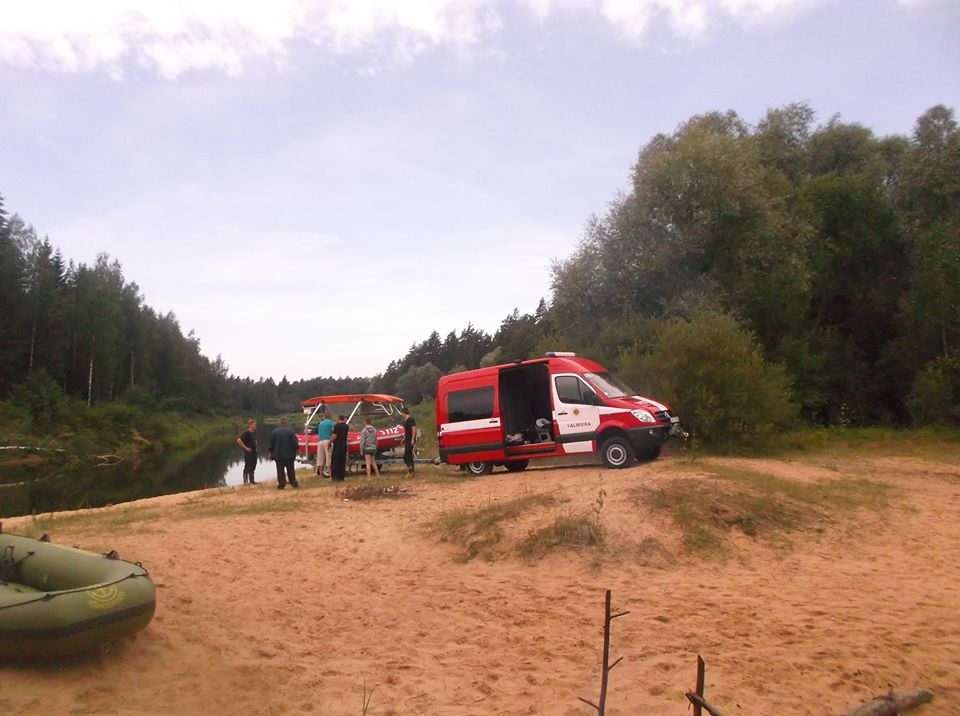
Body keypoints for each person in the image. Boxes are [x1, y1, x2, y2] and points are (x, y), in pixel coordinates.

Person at [268, 417, 299, 489]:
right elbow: (295, 443)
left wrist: (270, 452)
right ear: (286, 423)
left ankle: (281, 484)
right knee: (290, 470)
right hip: (289, 455)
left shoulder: (274, 432)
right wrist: (297, 449)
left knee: (280, 470)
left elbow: (271, 444)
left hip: (278, 455)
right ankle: (293, 483)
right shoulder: (291, 431)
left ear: (280, 423)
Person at [236, 418, 258, 485]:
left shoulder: (252, 433)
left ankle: (252, 481)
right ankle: (245, 482)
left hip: (254, 452)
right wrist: (246, 448)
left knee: (253, 466)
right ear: (250, 425)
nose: (255, 426)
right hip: (249, 453)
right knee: (248, 466)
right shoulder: (246, 433)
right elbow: (239, 440)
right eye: (254, 425)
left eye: (255, 425)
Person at [314, 413, 334, 478]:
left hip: (320, 441)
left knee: (320, 458)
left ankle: (321, 475)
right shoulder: (331, 423)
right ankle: (331, 475)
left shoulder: (321, 423)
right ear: (330, 416)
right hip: (327, 441)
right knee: (329, 458)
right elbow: (334, 431)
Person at [330, 414, 349, 481]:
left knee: (335, 461)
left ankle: (335, 476)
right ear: (343, 419)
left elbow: (334, 436)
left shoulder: (337, 426)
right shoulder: (346, 426)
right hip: (344, 446)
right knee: (342, 461)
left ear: (338, 418)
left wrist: (329, 442)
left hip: (337, 446)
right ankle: (341, 477)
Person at [401, 406, 417, 478]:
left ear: (404, 412)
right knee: (408, 456)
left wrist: (412, 439)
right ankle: (411, 471)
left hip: (410, 440)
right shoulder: (406, 420)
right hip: (407, 439)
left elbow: (414, 429)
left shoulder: (410, 419)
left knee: (406, 456)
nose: (401, 415)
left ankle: (411, 471)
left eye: (401, 413)